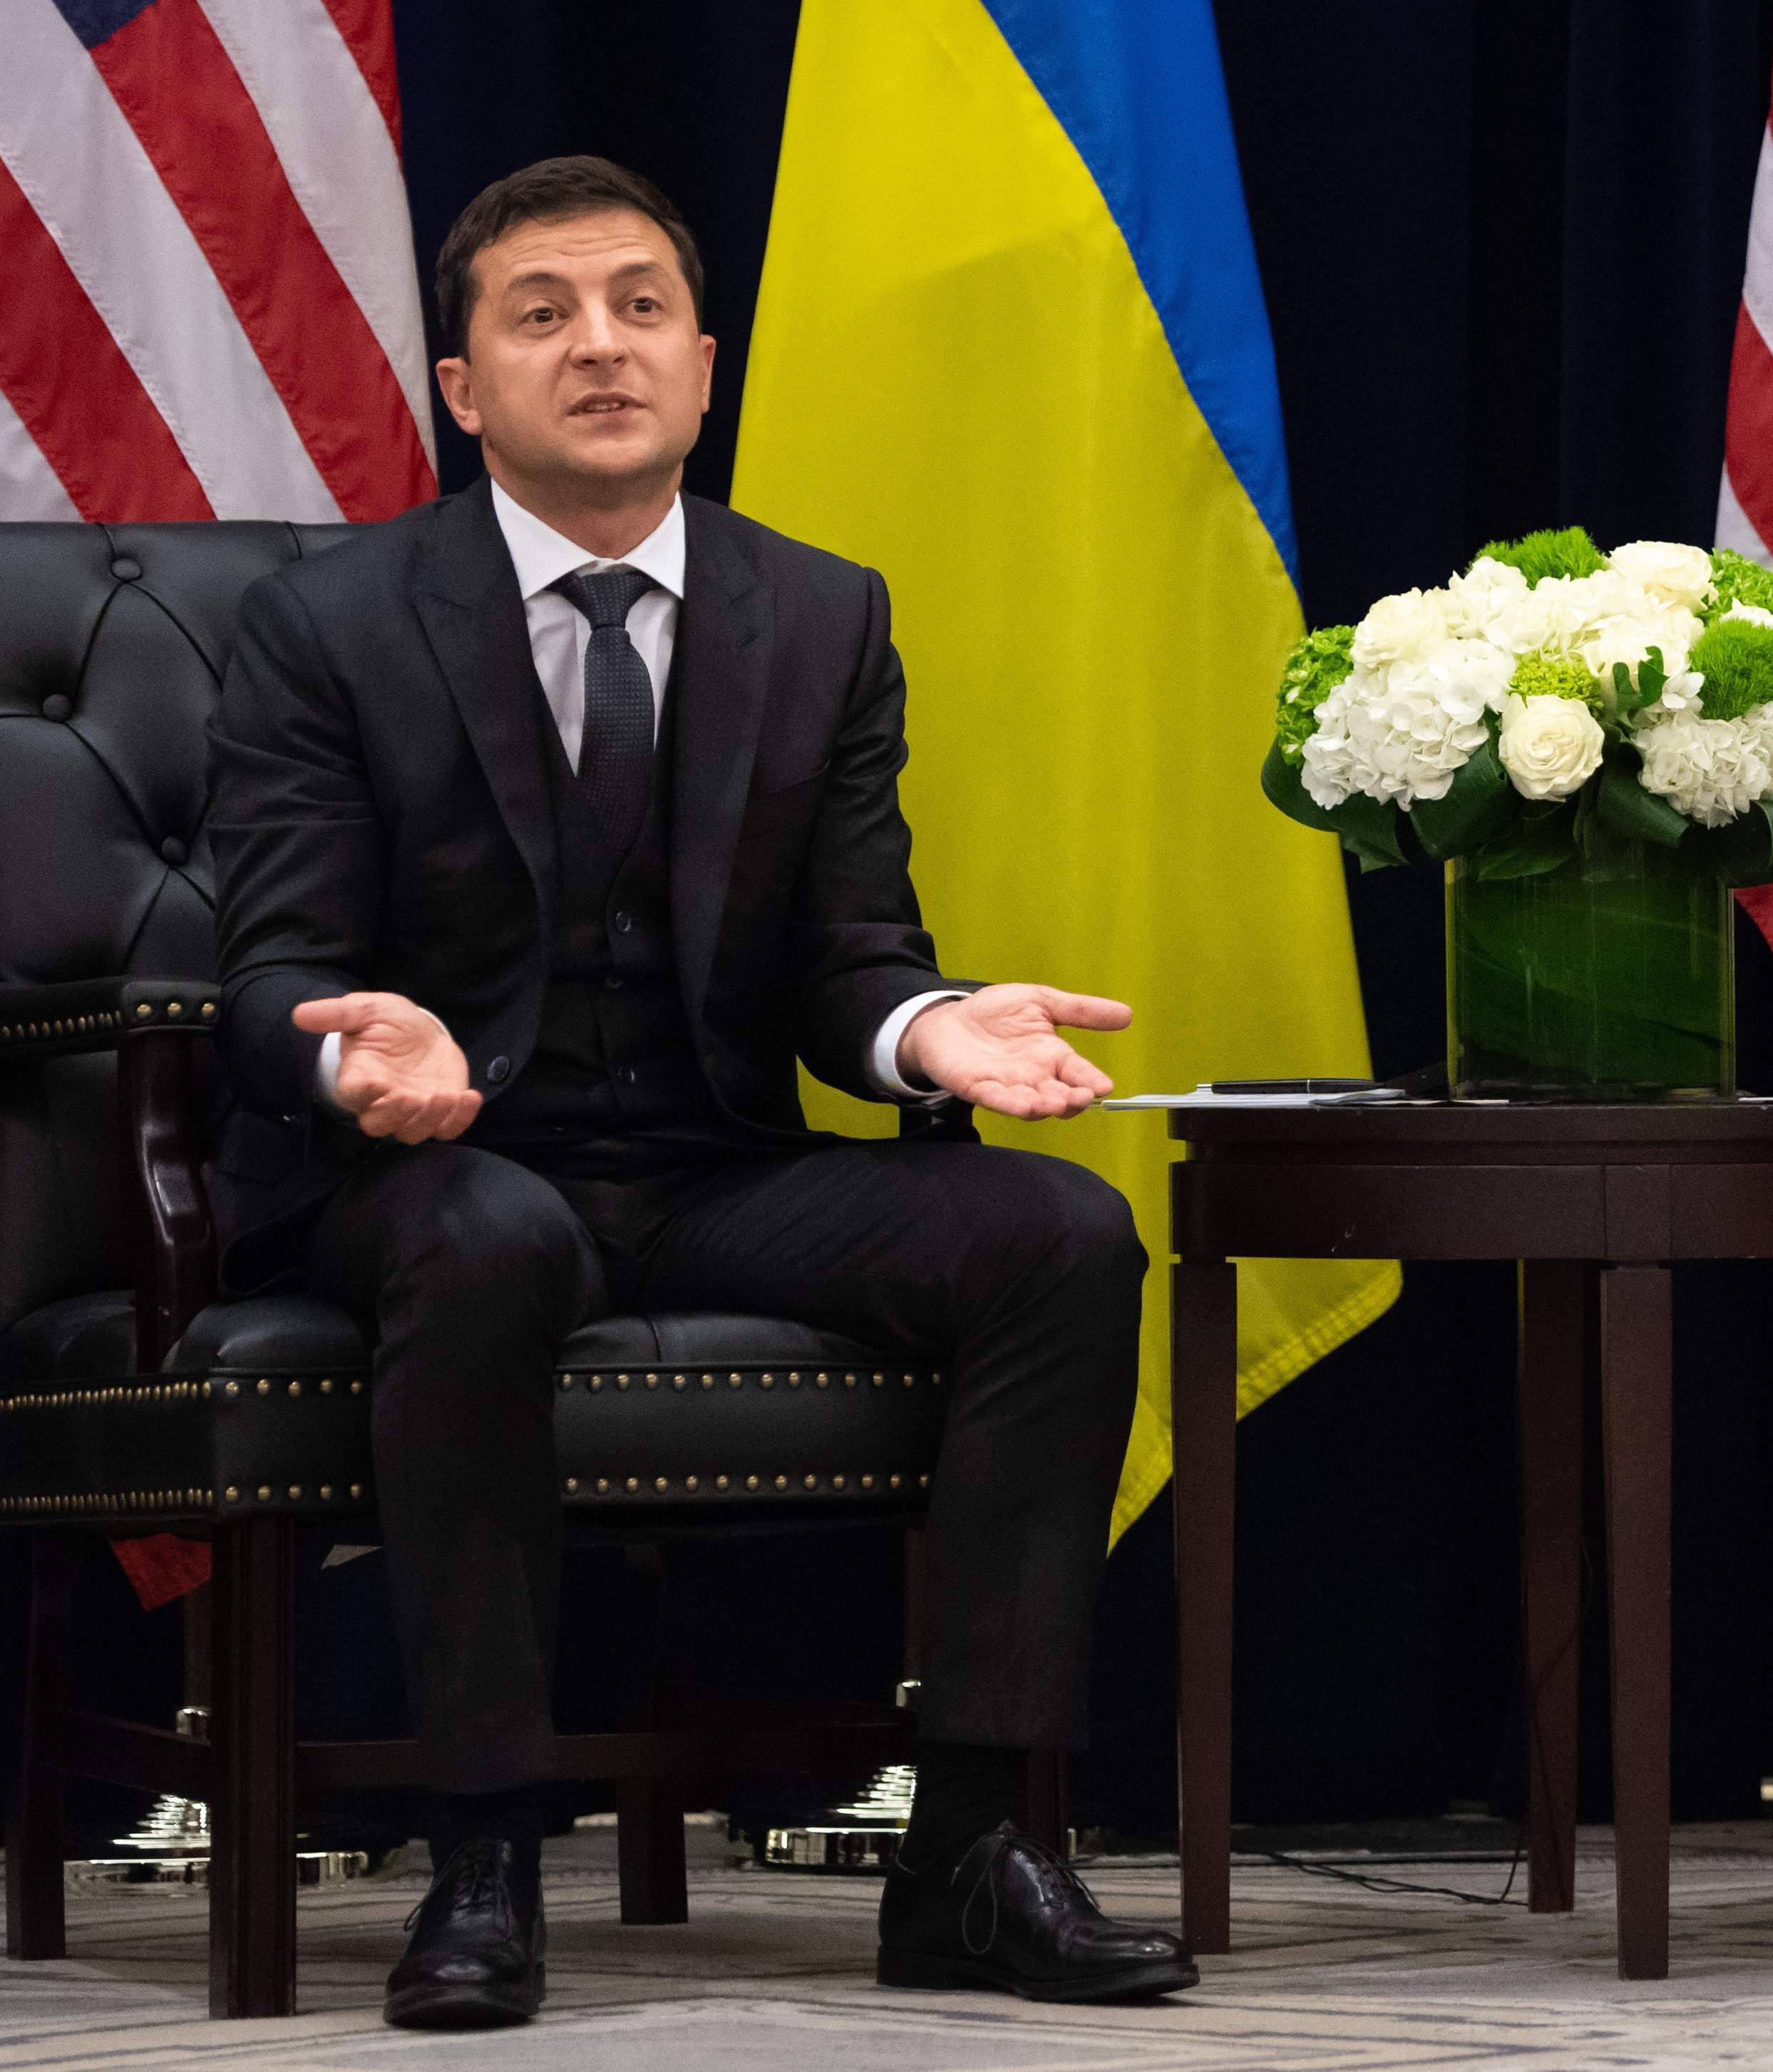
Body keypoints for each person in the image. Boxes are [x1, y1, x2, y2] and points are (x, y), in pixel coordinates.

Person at [206, 156, 1190, 2029]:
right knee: (487, 1239)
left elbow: (847, 958)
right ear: (462, 384)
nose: (601, 346)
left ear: (705, 359)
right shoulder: (331, 623)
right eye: (544, 312)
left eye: (641, 305)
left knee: (1058, 1233)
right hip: (431, 1167)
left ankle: (972, 1844)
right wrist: (359, 1043)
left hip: (711, 1159)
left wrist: (928, 1027)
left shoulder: (818, 616)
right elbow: (266, 970)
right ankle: (486, 1849)